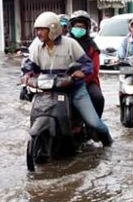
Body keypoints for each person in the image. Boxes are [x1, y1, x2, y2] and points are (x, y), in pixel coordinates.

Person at [23, 11, 113, 147]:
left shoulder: (70, 44)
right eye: (37, 30)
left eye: (42, 30)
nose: (38, 33)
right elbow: (30, 64)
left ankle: (108, 143)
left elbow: (87, 64)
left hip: (74, 90)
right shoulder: (37, 46)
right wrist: (27, 74)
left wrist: (81, 72)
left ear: (52, 29)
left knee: (94, 122)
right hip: (49, 91)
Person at [68, 10, 104, 118]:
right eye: (76, 26)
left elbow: (95, 69)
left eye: (82, 26)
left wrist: (83, 77)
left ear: (87, 28)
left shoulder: (92, 46)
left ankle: (95, 126)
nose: (79, 28)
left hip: (88, 81)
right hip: (66, 81)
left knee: (97, 98)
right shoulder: (65, 43)